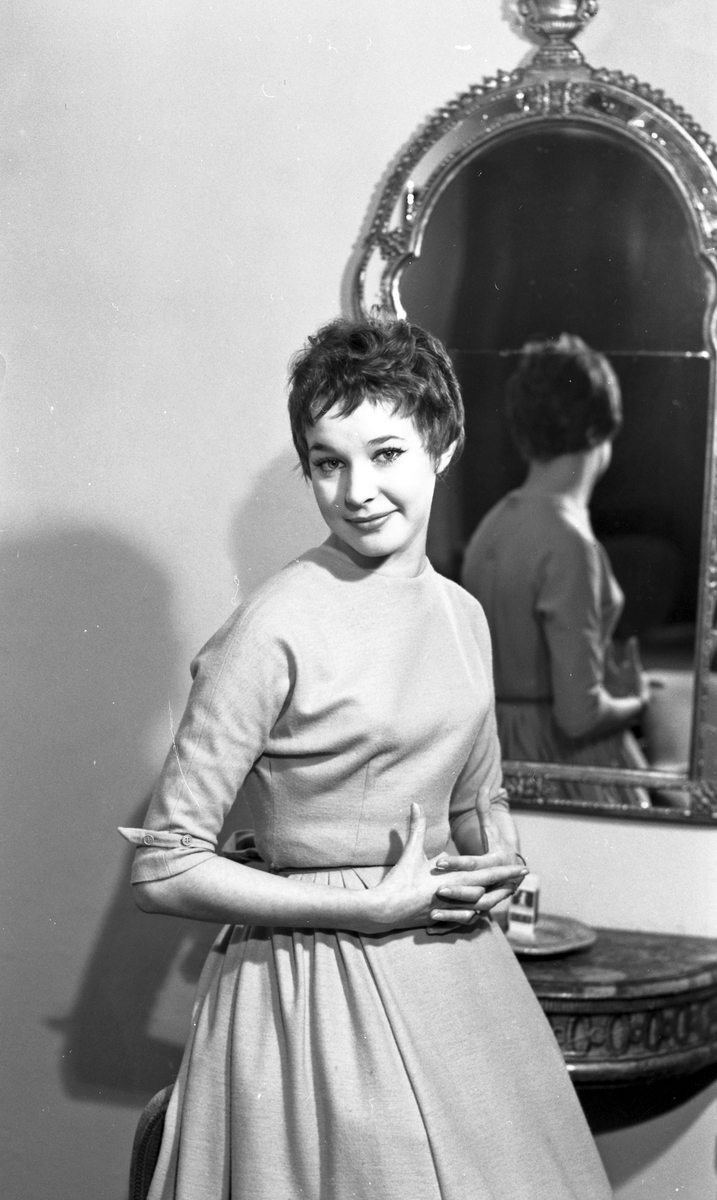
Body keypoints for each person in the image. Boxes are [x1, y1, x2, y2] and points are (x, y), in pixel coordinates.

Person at [120, 315, 613, 1199]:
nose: (356, 491)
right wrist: (366, 909)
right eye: (327, 462)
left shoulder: (463, 615)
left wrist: (496, 859)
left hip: (456, 980)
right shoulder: (270, 628)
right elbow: (165, 868)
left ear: (443, 447)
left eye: (386, 454)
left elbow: (478, 800)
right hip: (308, 994)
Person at [461, 333, 651, 808]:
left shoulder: (493, 524)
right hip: (556, 757)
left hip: (494, 753)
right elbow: (578, 717)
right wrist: (638, 701)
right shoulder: (569, 542)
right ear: (599, 430)